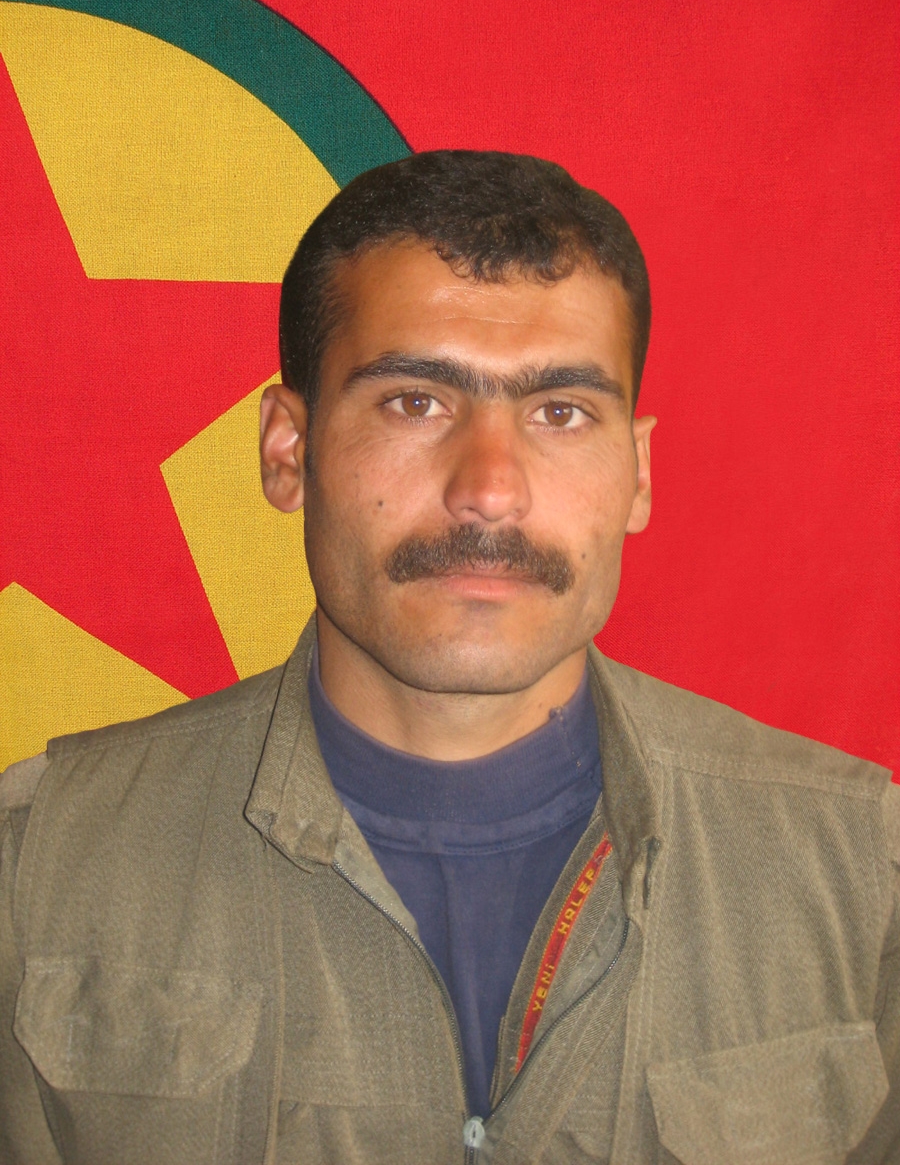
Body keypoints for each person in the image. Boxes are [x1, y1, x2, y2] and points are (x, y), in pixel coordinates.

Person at [0, 150, 897, 1165]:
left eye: (561, 412)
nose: (491, 489)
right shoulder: (40, 874)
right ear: (288, 450)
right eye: (415, 402)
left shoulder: (861, 877)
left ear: (638, 474)